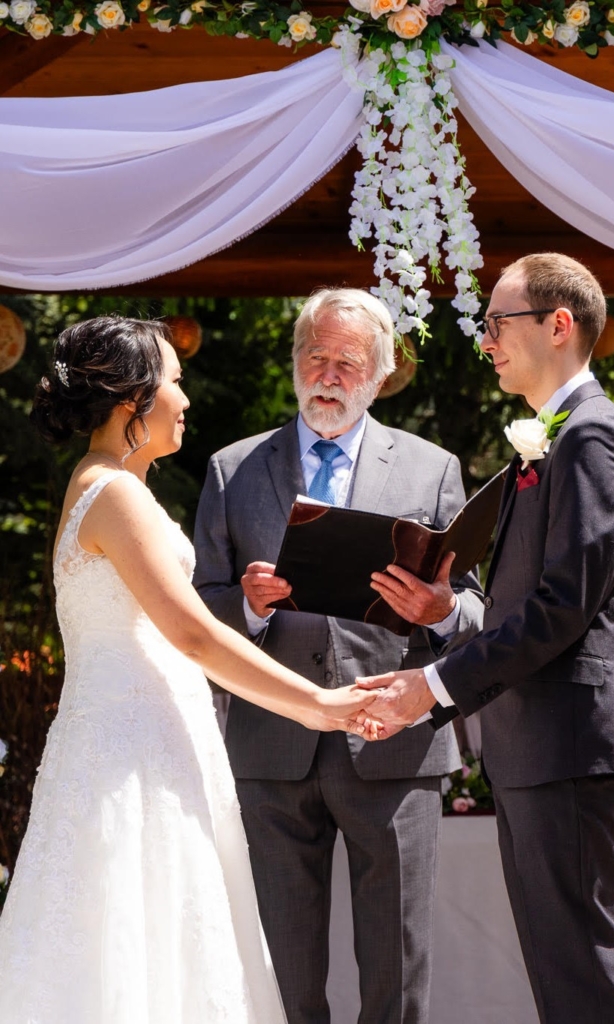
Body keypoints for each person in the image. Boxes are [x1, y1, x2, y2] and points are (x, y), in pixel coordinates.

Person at [0, 316, 378, 1024]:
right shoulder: (113, 492)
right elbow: (194, 636)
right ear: (129, 403)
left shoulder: (108, 485)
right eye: (175, 382)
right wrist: (318, 704)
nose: (186, 398)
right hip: (133, 760)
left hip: (145, 743)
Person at [358, 254, 614, 1024]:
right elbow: (532, 603)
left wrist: (430, 686)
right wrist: (445, 615)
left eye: (498, 322)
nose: (486, 340)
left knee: (582, 973)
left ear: (558, 325)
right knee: (563, 975)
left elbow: (561, 609)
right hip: (542, 741)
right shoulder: (557, 440)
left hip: (568, 742)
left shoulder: (597, 440)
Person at [193, 288, 484, 1024]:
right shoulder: (233, 468)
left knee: (397, 968)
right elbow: (199, 609)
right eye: (314, 356)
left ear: (380, 373)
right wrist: (250, 607)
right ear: (295, 361)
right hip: (269, 749)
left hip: (395, 747)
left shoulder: (433, 468)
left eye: (347, 362)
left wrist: (441, 609)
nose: (327, 374)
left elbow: (481, 609)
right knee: (280, 972)